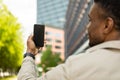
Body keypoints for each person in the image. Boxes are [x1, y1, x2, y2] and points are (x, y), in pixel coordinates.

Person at [18, 0, 120, 79]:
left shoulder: (78, 66)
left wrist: (30, 53)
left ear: (107, 25)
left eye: (90, 20)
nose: (87, 27)